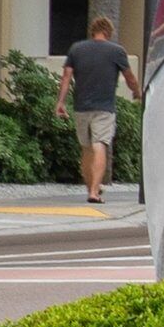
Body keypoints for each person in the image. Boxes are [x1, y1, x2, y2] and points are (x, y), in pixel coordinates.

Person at [60, 17, 137, 206]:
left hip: (81, 107)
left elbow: (66, 77)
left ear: (92, 31)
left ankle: (90, 188)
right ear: (109, 32)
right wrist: (137, 92)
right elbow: (129, 77)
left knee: (86, 148)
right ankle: (94, 191)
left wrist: (60, 102)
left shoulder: (76, 49)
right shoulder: (117, 51)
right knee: (100, 144)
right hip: (104, 108)